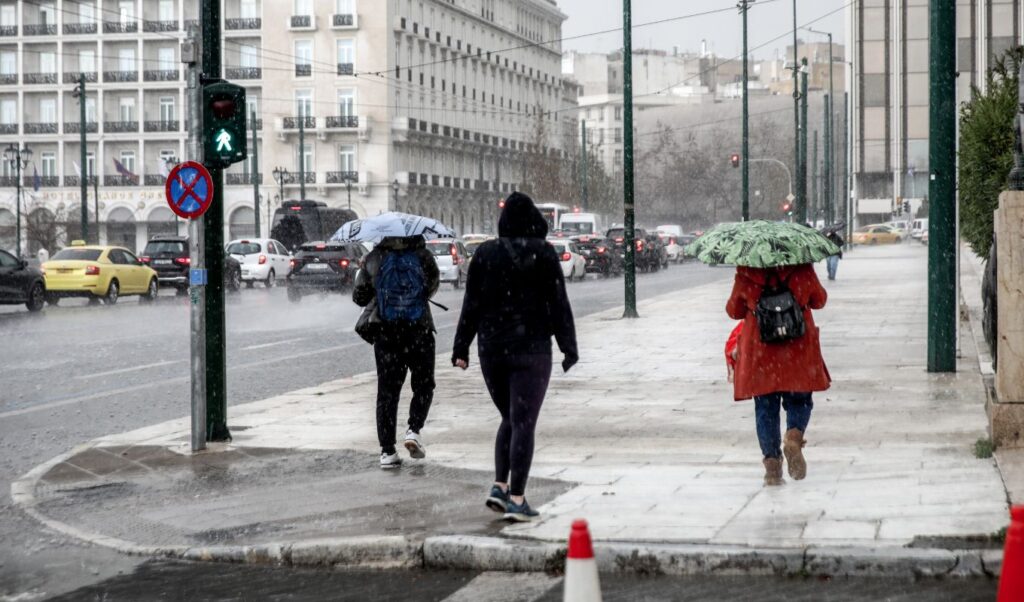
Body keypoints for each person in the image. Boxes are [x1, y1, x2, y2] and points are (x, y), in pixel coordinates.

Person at [452, 192, 578, 522]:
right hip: (532, 350)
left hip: (491, 350)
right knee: (523, 422)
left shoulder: (485, 253)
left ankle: (498, 486)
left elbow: (472, 304)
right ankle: (517, 499)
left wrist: (461, 347)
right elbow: (558, 303)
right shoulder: (544, 253)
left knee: (509, 418)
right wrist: (568, 346)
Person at [726, 264, 830, 486]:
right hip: (797, 349)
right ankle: (793, 436)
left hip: (761, 352)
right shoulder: (802, 269)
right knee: (800, 401)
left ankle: (772, 466)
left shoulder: (746, 272)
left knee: (765, 408)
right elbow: (819, 300)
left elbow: (734, 311)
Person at [353, 234, 440, 469]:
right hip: (418, 330)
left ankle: (387, 451)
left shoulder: (376, 257)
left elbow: (359, 297)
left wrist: (375, 284)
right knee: (423, 384)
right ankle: (413, 430)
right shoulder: (422, 255)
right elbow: (431, 288)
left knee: (387, 391)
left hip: (386, 333)